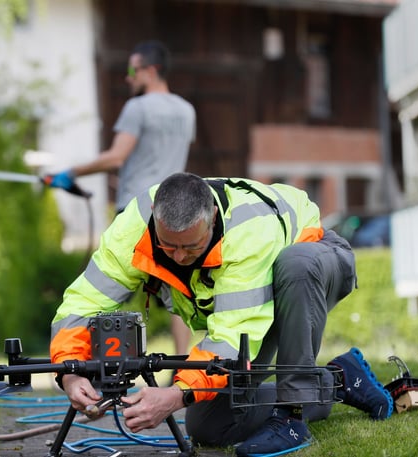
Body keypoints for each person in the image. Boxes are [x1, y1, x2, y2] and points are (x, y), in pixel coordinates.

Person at [50, 173, 394, 457]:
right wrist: (70, 372)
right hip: (250, 305)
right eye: (169, 247)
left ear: (212, 218)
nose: (180, 257)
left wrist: (176, 395)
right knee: (209, 426)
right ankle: (335, 380)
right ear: (155, 215)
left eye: (191, 247)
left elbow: (232, 336)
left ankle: (292, 415)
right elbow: (83, 301)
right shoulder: (133, 228)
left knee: (296, 264)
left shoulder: (248, 231)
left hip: (317, 263)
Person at [46, 40, 196, 356]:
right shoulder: (186, 110)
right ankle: (182, 365)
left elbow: (116, 157)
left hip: (137, 211)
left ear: (151, 70)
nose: (128, 77)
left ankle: (87, 362)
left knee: (107, 290)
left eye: (132, 69)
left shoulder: (137, 108)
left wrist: (70, 173)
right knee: (178, 294)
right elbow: (161, 159)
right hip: (172, 211)